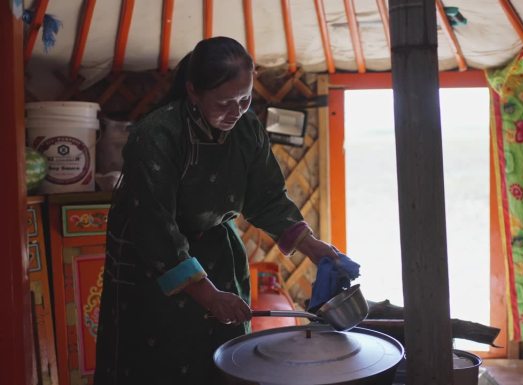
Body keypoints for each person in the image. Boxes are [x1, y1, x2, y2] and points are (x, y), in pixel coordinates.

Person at [94, 36, 340, 385]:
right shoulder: (157, 136)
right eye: (224, 102)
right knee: (161, 360)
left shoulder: (247, 127)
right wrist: (206, 293)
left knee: (224, 357)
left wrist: (311, 245)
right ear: (193, 92)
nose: (237, 111)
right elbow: (154, 225)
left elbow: (266, 196)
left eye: (245, 98)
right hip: (154, 263)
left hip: (216, 251)